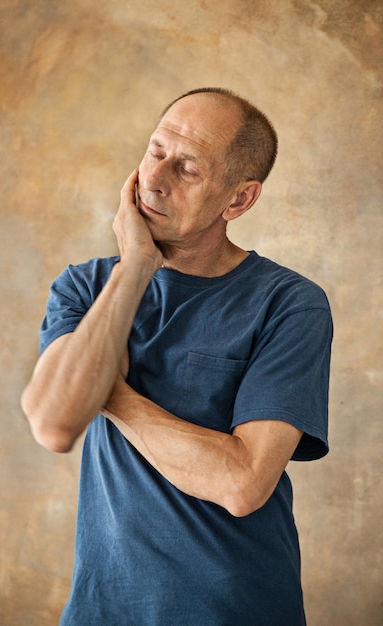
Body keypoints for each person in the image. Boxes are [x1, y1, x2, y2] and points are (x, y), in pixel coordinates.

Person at [21, 87, 332, 625]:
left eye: (186, 168)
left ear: (238, 199)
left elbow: (242, 484)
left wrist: (109, 390)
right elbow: (53, 422)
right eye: (155, 150)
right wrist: (136, 266)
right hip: (103, 611)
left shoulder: (290, 303)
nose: (155, 179)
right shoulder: (86, 287)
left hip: (236, 611)